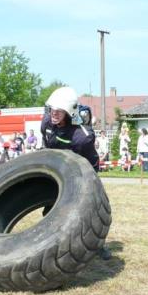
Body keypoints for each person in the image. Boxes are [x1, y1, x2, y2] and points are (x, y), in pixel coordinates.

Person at [41, 86, 110, 260]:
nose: (54, 114)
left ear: (69, 112)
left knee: (90, 210)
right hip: (58, 170)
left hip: (84, 171)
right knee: (50, 210)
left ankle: (97, 244)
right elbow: (47, 146)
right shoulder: (47, 124)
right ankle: (53, 245)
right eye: (52, 110)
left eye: (59, 111)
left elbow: (85, 162)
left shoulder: (81, 136)